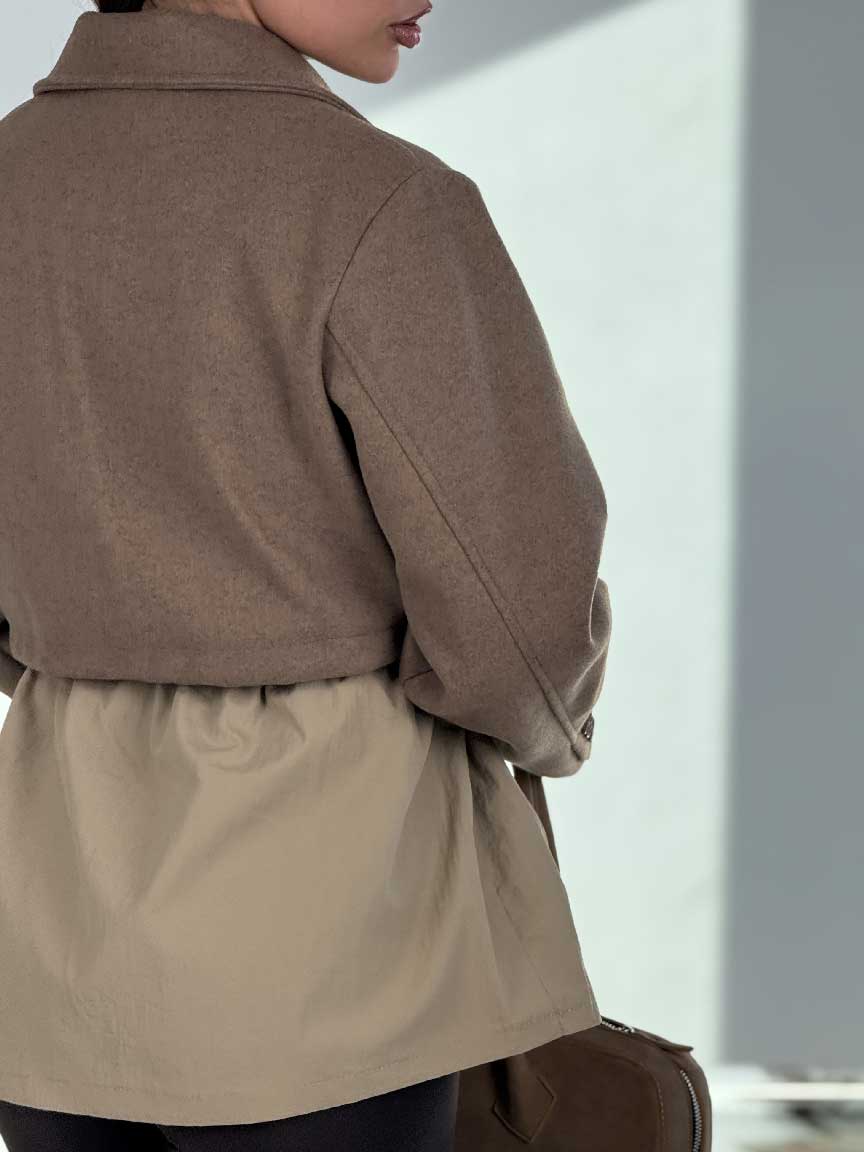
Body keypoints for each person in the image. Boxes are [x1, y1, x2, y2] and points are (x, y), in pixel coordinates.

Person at [0, 0, 613, 1148]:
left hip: (51, 922)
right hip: (331, 929)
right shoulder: (376, 201)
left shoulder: (11, 178)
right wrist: (548, 729)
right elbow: (518, 622)